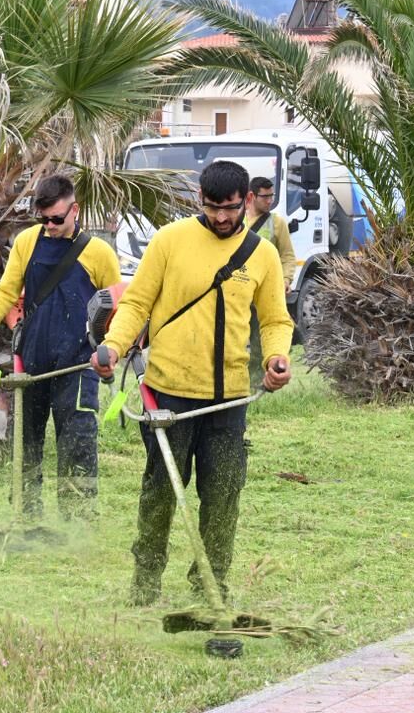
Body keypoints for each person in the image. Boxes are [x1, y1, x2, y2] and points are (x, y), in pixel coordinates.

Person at [92, 160, 294, 605]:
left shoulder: (261, 255)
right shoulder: (169, 241)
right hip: (168, 397)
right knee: (161, 492)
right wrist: (112, 346)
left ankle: (211, 586)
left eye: (231, 209)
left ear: (247, 202)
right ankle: (145, 584)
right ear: (199, 199)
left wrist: (278, 357)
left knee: (222, 499)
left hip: (227, 401)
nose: (222, 218)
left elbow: (276, 319)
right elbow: (137, 303)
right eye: (212, 207)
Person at [0, 174, 120, 519]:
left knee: (77, 442)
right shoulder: (27, 242)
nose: (49, 225)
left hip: (78, 365)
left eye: (57, 219)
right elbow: (5, 291)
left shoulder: (99, 253)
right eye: (43, 218)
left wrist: (113, 349)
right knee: (27, 443)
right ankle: (26, 514)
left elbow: (120, 309)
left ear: (74, 210)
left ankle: (76, 521)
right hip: (32, 363)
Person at [246, 176, 296, 384]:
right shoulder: (237, 220)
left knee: (261, 339)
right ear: (252, 197)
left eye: (271, 196)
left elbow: (287, 256)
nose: (269, 201)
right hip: (240, 291)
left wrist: (285, 279)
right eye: (265, 197)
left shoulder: (277, 223)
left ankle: (259, 381)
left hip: (265, 292)